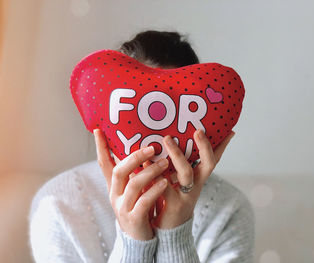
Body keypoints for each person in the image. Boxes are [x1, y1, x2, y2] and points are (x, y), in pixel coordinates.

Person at [28, 30, 255, 263]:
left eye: (174, 122)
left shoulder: (230, 210)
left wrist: (176, 234)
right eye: (137, 116)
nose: (157, 141)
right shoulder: (57, 205)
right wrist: (133, 241)